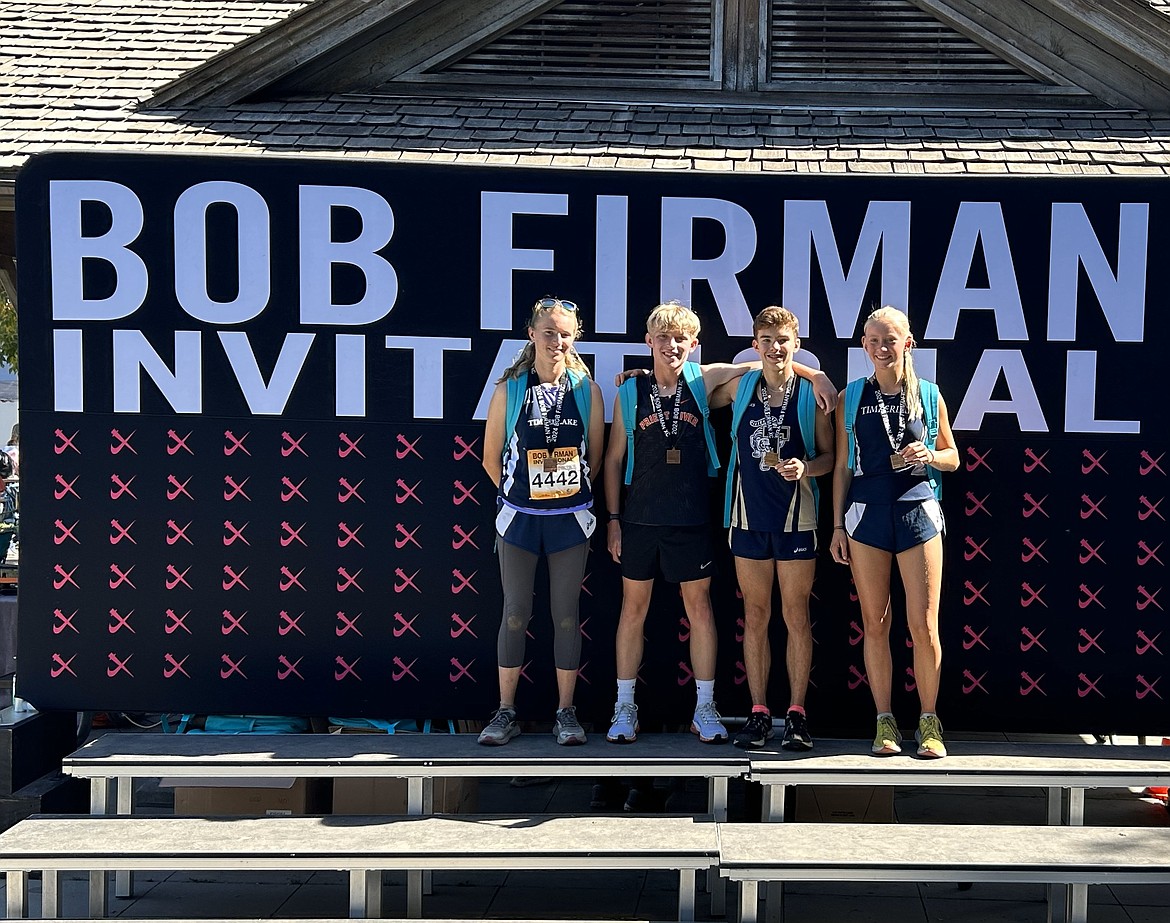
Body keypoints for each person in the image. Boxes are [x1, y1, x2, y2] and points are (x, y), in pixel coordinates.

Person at [602, 301, 834, 745]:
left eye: (681, 339)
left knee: (706, 612)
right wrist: (613, 519)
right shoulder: (630, 392)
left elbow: (766, 365)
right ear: (649, 342)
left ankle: (707, 707)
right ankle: (624, 706)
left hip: (693, 517)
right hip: (641, 518)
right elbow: (613, 460)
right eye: (663, 338)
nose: (672, 346)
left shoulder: (705, 379)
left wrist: (815, 374)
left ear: (693, 344)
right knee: (633, 611)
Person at [829, 306, 959, 759]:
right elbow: (844, 467)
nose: (882, 349)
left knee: (923, 625)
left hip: (918, 514)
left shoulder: (929, 393)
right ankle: (884, 719)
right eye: (873, 341)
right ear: (864, 345)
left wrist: (929, 455)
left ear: (908, 342)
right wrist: (836, 526)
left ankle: (928, 720)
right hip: (866, 516)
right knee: (876, 623)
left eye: (890, 340)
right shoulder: (851, 397)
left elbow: (953, 457)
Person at [478, 296, 605, 746]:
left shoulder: (587, 391)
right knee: (515, 613)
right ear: (531, 334)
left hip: (570, 521)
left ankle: (566, 713)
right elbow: (491, 459)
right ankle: (506, 711)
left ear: (575, 338)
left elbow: (594, 454)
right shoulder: (509, 390)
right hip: (520, 521)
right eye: (548, 332)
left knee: (566, 616)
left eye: (565, 333)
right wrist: (520, 495)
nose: (557, 341)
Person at [708, 307, 835, 750]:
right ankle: (759, 712)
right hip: (747, 518)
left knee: (795, 615)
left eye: (783, 339)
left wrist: (805, 467)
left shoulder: (811, 395)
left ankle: (796, 714)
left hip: (796, 519)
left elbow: (831, 458)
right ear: (755, 343)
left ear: (796, 343)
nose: (775, 347)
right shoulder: (742, 388)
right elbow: (688, 379)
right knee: (756, 616)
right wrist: (640, 377)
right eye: (766, 339)